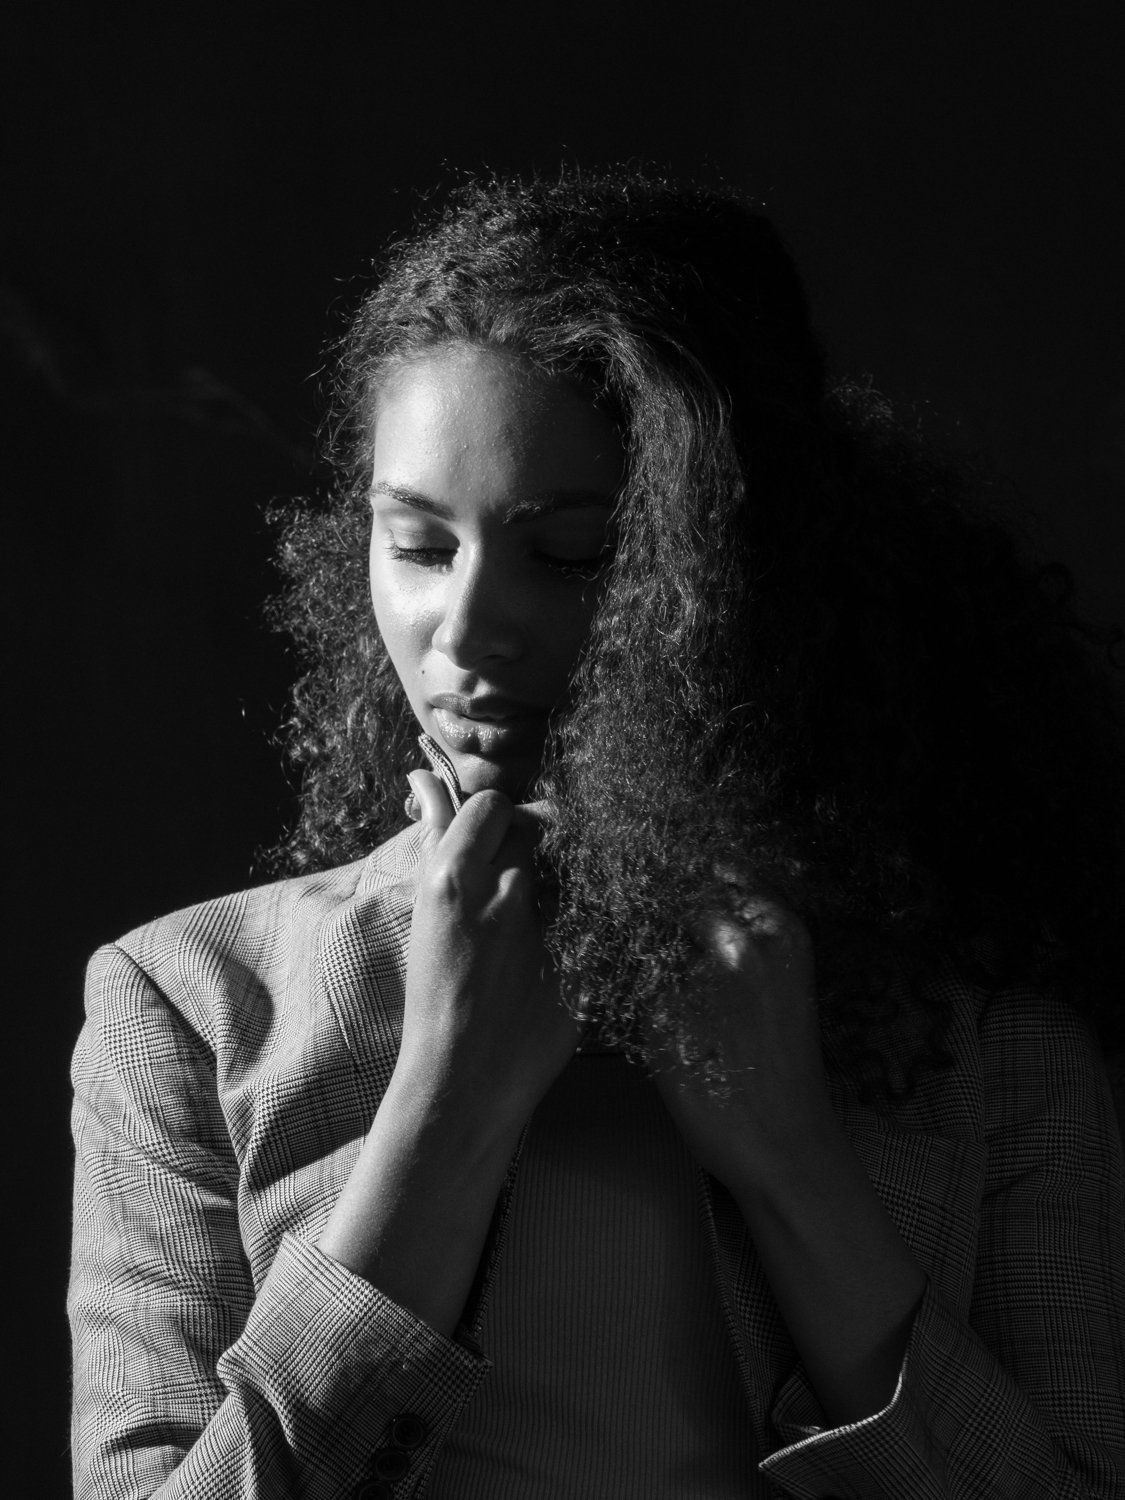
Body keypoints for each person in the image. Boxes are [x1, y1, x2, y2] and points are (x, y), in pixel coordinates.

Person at [69, 169, 1125, 1499]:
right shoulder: (193, 1002)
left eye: (569, 552)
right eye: (419, 544)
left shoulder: (992, 1044)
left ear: (738, 566)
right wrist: (443, 1105)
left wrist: (791, 1161)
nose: (465, 632)